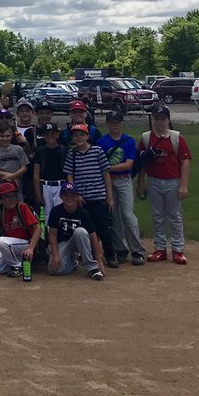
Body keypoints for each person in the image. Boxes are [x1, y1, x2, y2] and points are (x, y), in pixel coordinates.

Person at [137, 105, 192, 265]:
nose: (159, 122)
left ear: (168, 120)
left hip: (172, 180)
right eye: (157, 119)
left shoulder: (176, 138)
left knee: (174, 216)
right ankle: (160, 248)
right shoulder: (147, 138)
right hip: (154, 180)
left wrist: (183, 184)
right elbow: (142, 162)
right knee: (157, 216)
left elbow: (185, 161)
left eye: (162, 119)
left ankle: (177, 249)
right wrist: (141, 182)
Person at [97, 112, 146, 266]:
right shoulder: (101, 142)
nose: (114, 125)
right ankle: (120, 249)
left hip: (124, 180)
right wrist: (108, 170)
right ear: (107, 124)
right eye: (111, 122)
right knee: (115, 217)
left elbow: (129, 164)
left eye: (117, 122)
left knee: (127, 215)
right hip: (108, 181)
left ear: (121, 123)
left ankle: (137, 250)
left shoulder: (129, 141)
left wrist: (108, 168)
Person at [63, 123, 116, 267]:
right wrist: (75, 195)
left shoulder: (97, 151)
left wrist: (109, 197)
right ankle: (91, 256)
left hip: (98, 196)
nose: (78, 138)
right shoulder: (71, 154)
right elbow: (70, 176)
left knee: (104, 229)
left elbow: (106, 174)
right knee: (86, 230)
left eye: (81, 135)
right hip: (82, 199)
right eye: (75, 135)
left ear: (87, 136)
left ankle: (110, 255)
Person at [47, 184, 105, 280]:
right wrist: (55, 254)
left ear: (78, 196)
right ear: (61, 197)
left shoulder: (83, 213)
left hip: (79, 242)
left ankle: (92, 268)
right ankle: (72, 261)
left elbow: (93, 236)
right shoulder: (56, 211)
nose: (70, 198)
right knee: (54, 270)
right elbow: (52, 234)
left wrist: (99, 261)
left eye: (73, 195)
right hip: (62, 243)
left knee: (80, 231)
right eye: (66, 195)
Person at [0, 181, 40, 276]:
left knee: (1, 241)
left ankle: (17, 266)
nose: (11, 199)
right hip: (9, 245)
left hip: (25, 243)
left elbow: (38, 229)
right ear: (0, 199)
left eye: (13, 196)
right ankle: (18, 261)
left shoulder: (21, 207)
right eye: (7, 197)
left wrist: (31, 248)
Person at [32, 123, 68, 221]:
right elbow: (36, 173)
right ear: (43, 136)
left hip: (61, 184)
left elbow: (69, 171)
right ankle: (47, 235)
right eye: (47, 134)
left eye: (53, 133)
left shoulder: (64, 150)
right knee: (46, 214)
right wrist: (37, 193)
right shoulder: (40, 151)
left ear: (57, 134)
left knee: (62, 213)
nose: (50, 136)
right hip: (45, 186)